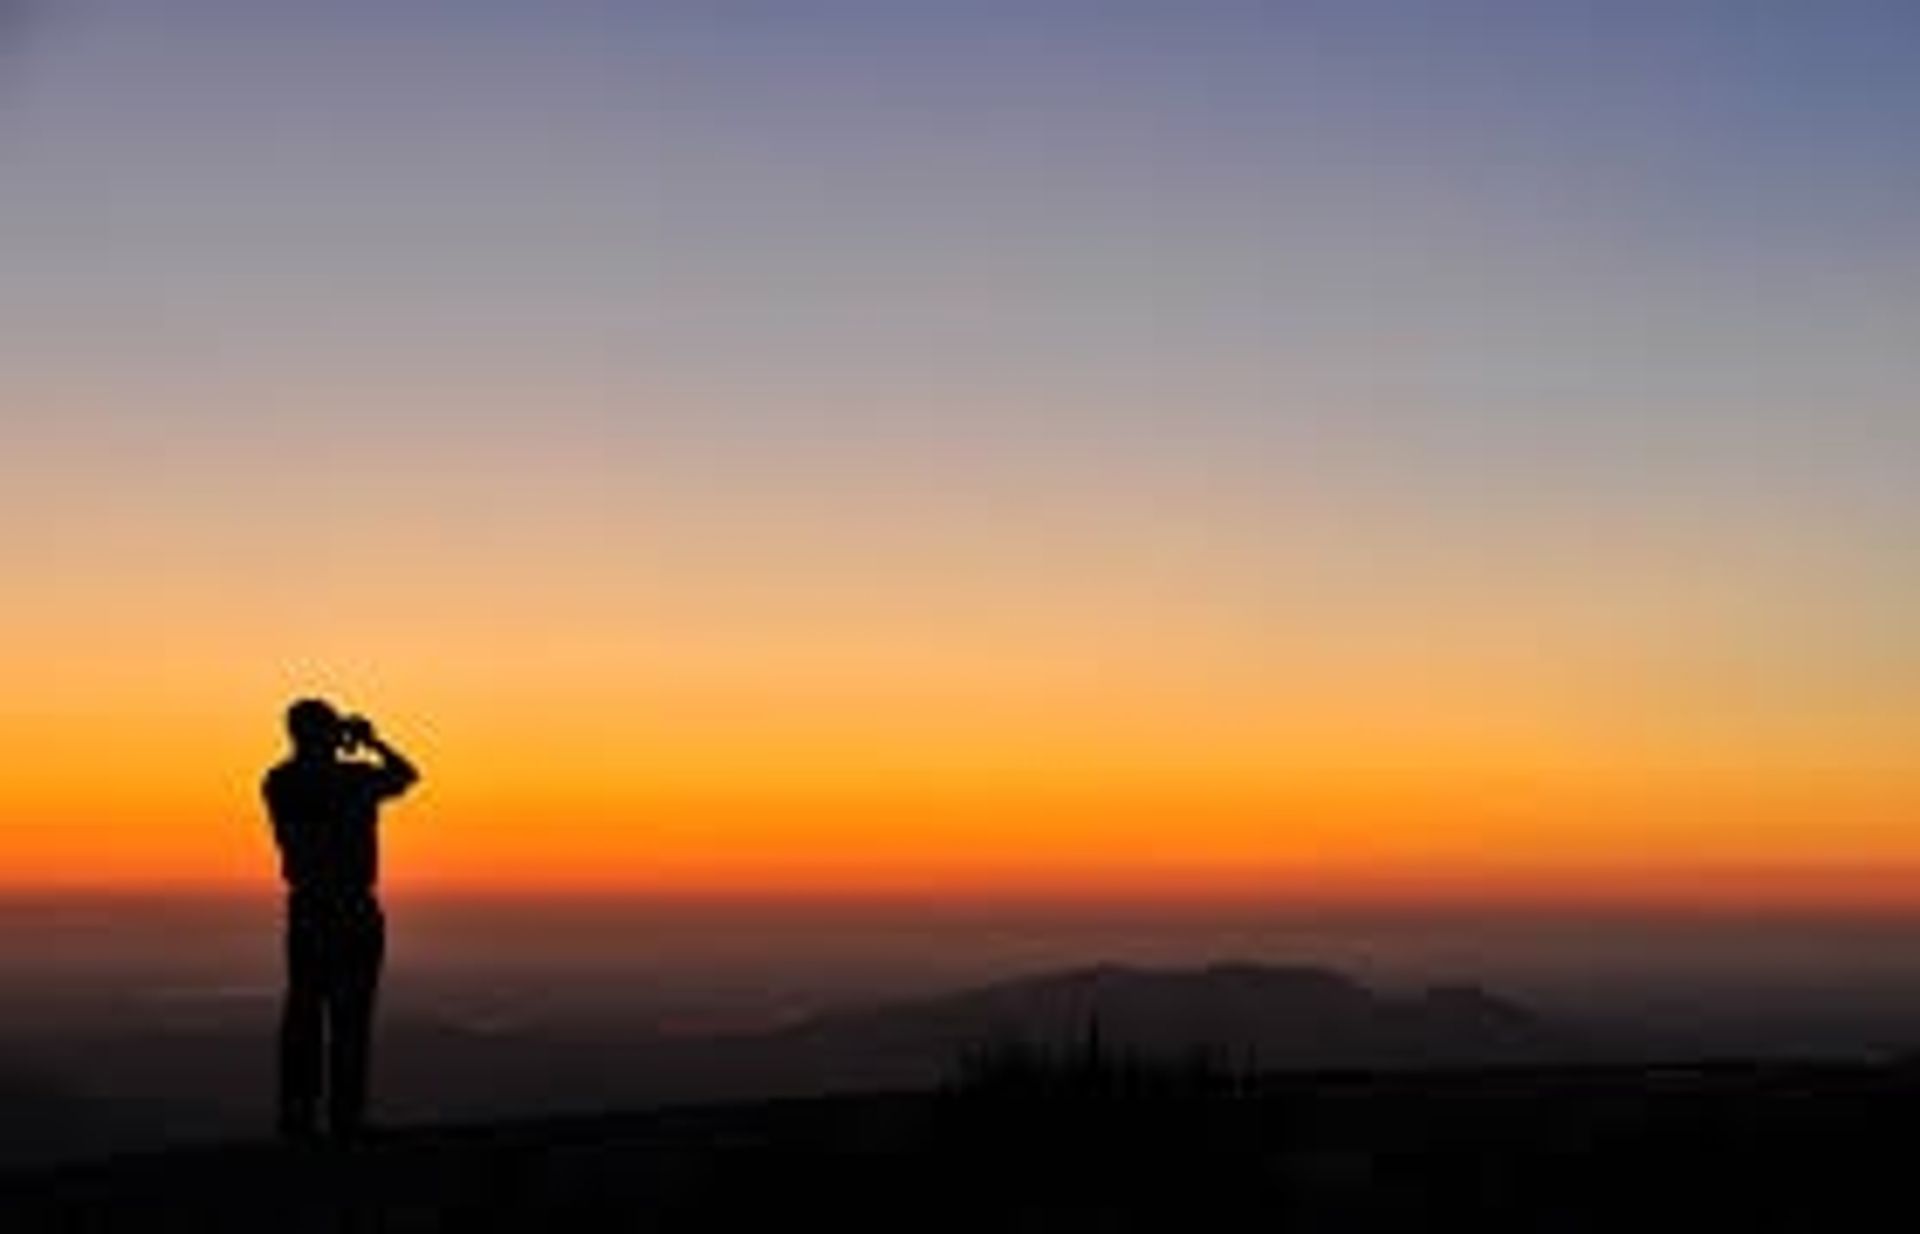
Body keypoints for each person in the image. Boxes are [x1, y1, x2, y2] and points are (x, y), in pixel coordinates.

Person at [262, 698, 419, 1142]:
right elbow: (407, 775)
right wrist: (371, 742)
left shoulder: (280, 781)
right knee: (352, 1017)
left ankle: (297, 1120)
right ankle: (345, 1121)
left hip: (309, 908)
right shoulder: (352, 780)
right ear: (323, 733)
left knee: (305, 1013)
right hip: (352, 908)